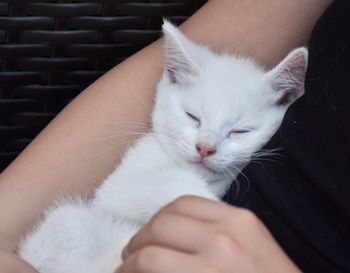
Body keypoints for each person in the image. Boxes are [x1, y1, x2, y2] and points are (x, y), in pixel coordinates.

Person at [2, 0, 348, 272]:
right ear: (171, 78)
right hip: (100, 251)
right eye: (192, 119)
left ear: (287, 99)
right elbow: (112, 199)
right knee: (68, 221)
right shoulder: (155, 150)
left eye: (240, 132)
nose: (206, 146)